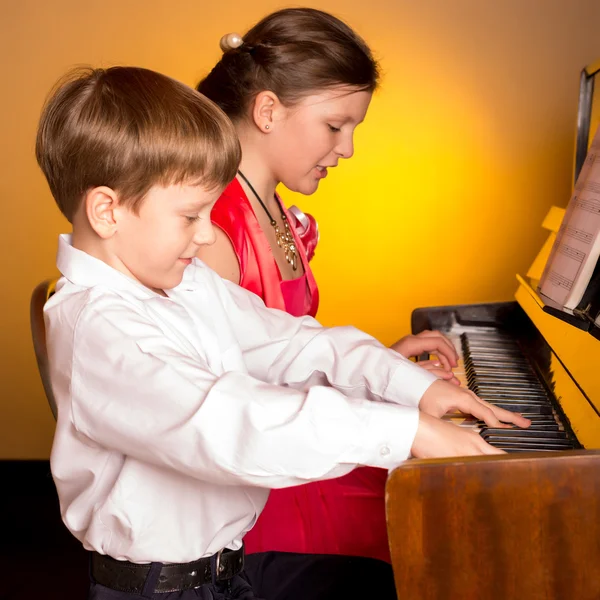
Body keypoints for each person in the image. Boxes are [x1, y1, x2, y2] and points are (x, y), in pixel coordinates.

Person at [36, 65, 528, 600]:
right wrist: (411, 434)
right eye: (190, 215)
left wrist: (418, 390)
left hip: (224, 570)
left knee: (399, 580)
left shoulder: (182, 283)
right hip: (163, 589)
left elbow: (293, 342)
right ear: (107, 211)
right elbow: (231, 421)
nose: (206, 235)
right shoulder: (100, 329)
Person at [196, 7, 457, 562]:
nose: (348, 148)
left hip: (295, 454)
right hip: (263, 495)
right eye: (335, 126)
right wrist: (387, 404)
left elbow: (277, 353)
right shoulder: (213, 229)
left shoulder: (273, 208)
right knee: (444, 515)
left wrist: (381, 368)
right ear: (267, 110)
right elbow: (232, 413)